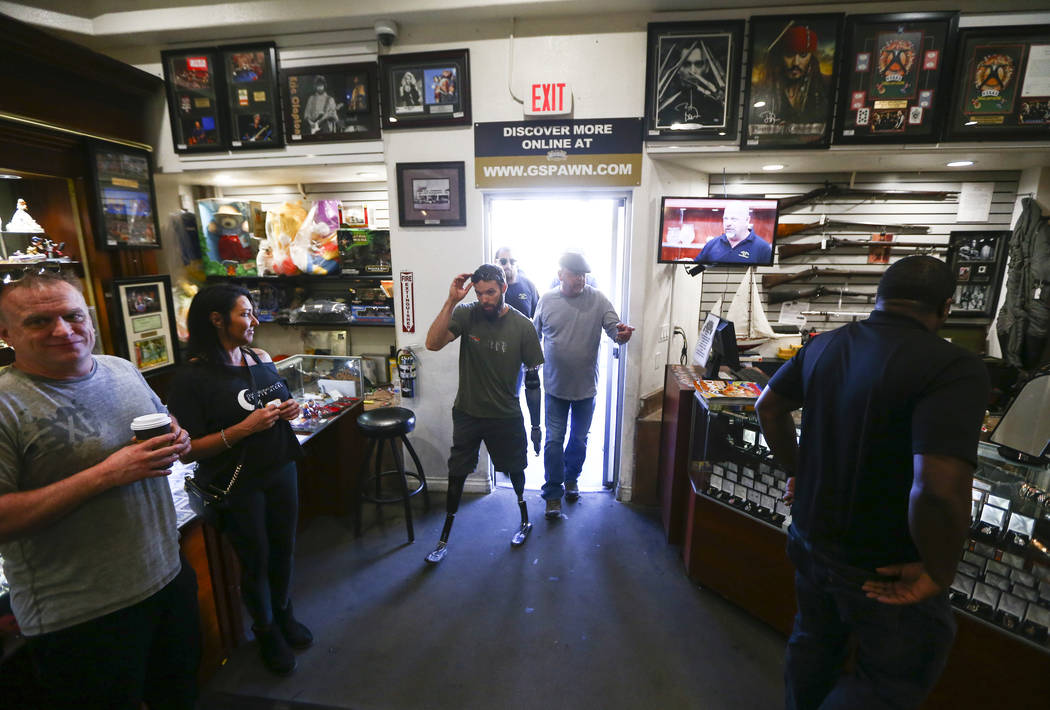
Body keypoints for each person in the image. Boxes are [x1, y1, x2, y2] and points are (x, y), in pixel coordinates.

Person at [754, 255, 990, 710]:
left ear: (880, 296)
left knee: (814, 648)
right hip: (884, 564)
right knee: (889, 683)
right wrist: (940, 571)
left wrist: (797, 472)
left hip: (810, 538)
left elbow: (769, 408)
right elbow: (939, 489)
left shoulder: (825, 345)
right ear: (945, 307)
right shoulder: (954, 367)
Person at [0, 271, 200, 709]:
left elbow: (163, 426)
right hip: (78, 614)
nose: (62, 330)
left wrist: (179, 438)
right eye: (38, 321)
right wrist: (108, 473)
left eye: (73, 316)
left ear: (88, 319)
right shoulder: (7, 403)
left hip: (166, 576)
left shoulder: (121, 369)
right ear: (5, 333)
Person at [167, 284, 312, 677]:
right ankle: (265, 630)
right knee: (256, 559)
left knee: (284, 549)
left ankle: (284, 614)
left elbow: (277, 400)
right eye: (245, 313)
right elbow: (188, 450)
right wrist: (243, 429)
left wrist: (289, 409)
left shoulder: (258, 356)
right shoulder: (191, 379)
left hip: (281, 467)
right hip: (237, 483)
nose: (254, 320)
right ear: (216, 320)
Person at [423, 264, 544, 563]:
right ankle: (444, 537)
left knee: (515, 467)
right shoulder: (467, 314)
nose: (485, 299)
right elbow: (432, 343)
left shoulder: (523, 326)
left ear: (504, 288)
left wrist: (536, 424)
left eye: (490, 292)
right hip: (468, 412)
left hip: (505, 414)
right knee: (457, 471)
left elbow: (532, 380)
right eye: (479, 294)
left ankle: (524, 517)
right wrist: (451, 300)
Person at [534, 252, 634, 518]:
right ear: (560, 274)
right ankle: (553, 493)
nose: (580, 279)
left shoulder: (598, 299)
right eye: (574, 274)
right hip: (555, 388)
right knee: (554, 441)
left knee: (578, 439)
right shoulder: (546, 300)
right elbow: (533, 338)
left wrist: (622, 335)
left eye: (583, 275)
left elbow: (616, 331)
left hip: (585, 389)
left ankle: (571, 478)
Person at [752, 25, 830, 130]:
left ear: (811, 57)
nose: (796, 63)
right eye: (789, 54)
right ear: (780, 56)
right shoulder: (760, 90)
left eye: (803, 55)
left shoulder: (825, 86)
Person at [656, 42, 725, 128]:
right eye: (686, 64)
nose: (692, 71)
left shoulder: (717, 103)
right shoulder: (664, 102)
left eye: (698, 64)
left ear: (706, 67)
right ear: (678, 68)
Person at [694, 203, 772, 264]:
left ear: (747, 220)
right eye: (726, 219)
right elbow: (698, 269)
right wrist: (689, 263)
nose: (728, 223)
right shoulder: (712, 244)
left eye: (733, 219)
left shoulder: (763, 248)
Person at [494, 246, 539, 319]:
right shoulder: (490, 287)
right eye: (503, 261)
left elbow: (538, 318)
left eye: (512, 262)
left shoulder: (529, 285)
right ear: (495, 262)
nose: (508, 265)